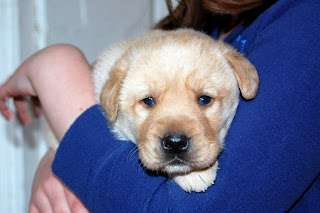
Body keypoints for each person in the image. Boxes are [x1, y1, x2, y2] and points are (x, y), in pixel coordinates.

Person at [0, 0, 319, 212]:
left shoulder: (307, 22)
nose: (176, 134)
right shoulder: (199, 25)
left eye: (204, 99)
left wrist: (56, 73)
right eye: (149, 102)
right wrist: (58, 156)